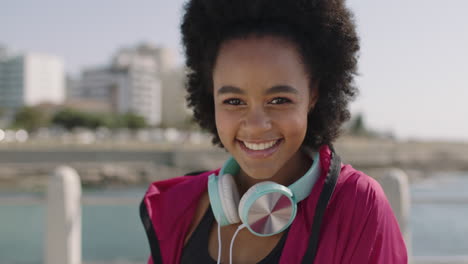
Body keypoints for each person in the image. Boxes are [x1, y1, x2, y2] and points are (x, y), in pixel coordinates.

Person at [140, 0, 408, 263]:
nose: (256, 125)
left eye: (279, 100)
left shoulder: (358, 206)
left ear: (313, 95)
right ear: (211, 97)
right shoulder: (179, 207)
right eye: (234, 101)